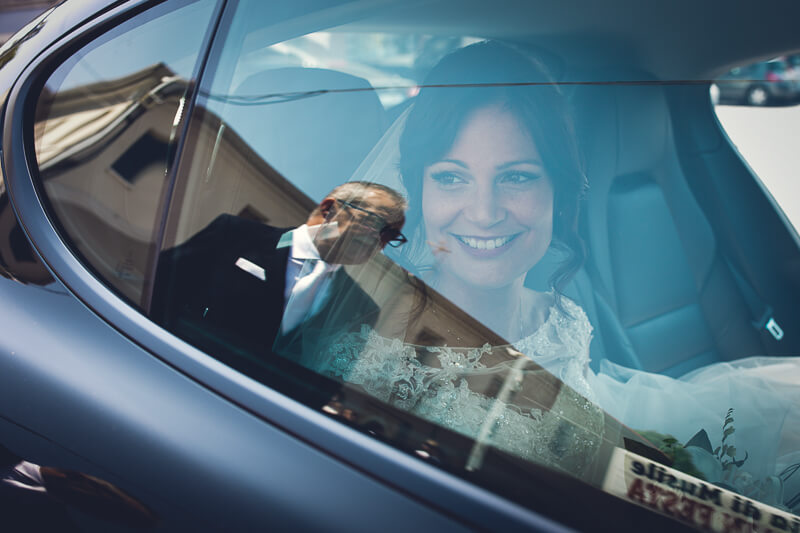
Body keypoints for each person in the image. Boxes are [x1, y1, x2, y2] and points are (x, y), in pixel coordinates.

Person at [314, 41, 800, 507]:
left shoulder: (558, 314)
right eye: (451, 177)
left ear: (558, 191)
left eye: (517, 176)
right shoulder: (379, 365)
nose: (484, 213)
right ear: (418, 192)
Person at [151, 181, 407, 366]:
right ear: (329, 209)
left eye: (391, 235)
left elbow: (325, 381)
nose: (379, 239)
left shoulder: (360, 308)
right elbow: (159, 288)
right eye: (375, 222)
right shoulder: (235, 235)